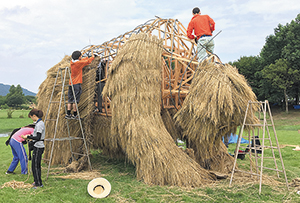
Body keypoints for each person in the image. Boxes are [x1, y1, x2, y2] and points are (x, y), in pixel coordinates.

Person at [65, 50, 95, 119]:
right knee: (75, 100)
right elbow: (88, 62)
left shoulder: (72, 62)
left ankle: (68, 114)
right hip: (76, 84)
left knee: (70, 99)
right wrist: (93, 57)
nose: (81, 57)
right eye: (81, 56)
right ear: (79, 57)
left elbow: (82, 60)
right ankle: (75, 115)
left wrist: (86, 57)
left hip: (71, 83)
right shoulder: (78, 64)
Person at [22, 109, 45, 188]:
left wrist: (28, 137)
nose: (31, 118)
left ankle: (39, 184)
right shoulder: (38, 123)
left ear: (34, 116)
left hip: (39, 147)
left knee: (36, 166)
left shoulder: (40, 124)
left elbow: (38, 137)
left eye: (31, 117)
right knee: (34, 165)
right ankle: (36, 181)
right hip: (36, 146)